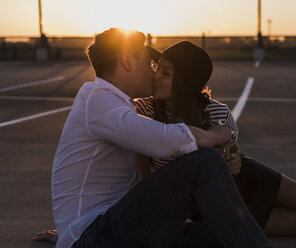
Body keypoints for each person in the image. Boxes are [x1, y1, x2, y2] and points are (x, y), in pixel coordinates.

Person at [47, 28, 273, 248]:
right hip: (94, 235)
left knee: (221, 234)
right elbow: (165, 141)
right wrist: (214, 135)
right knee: (205, 160)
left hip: (114, 227)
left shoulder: (114, 103)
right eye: (149, 63)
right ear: (127, 61)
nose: (152, 72)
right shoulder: (98, 100)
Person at [134, 41, 296, 236]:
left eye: (166, 72)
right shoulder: (144, 111)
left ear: (185, 83)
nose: (156, 76)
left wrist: (234, 158)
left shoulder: (216, 112)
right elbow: (144, 174)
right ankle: (283, 205)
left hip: (245, 178)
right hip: (211, 205)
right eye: (157, 67)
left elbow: (233, 149)